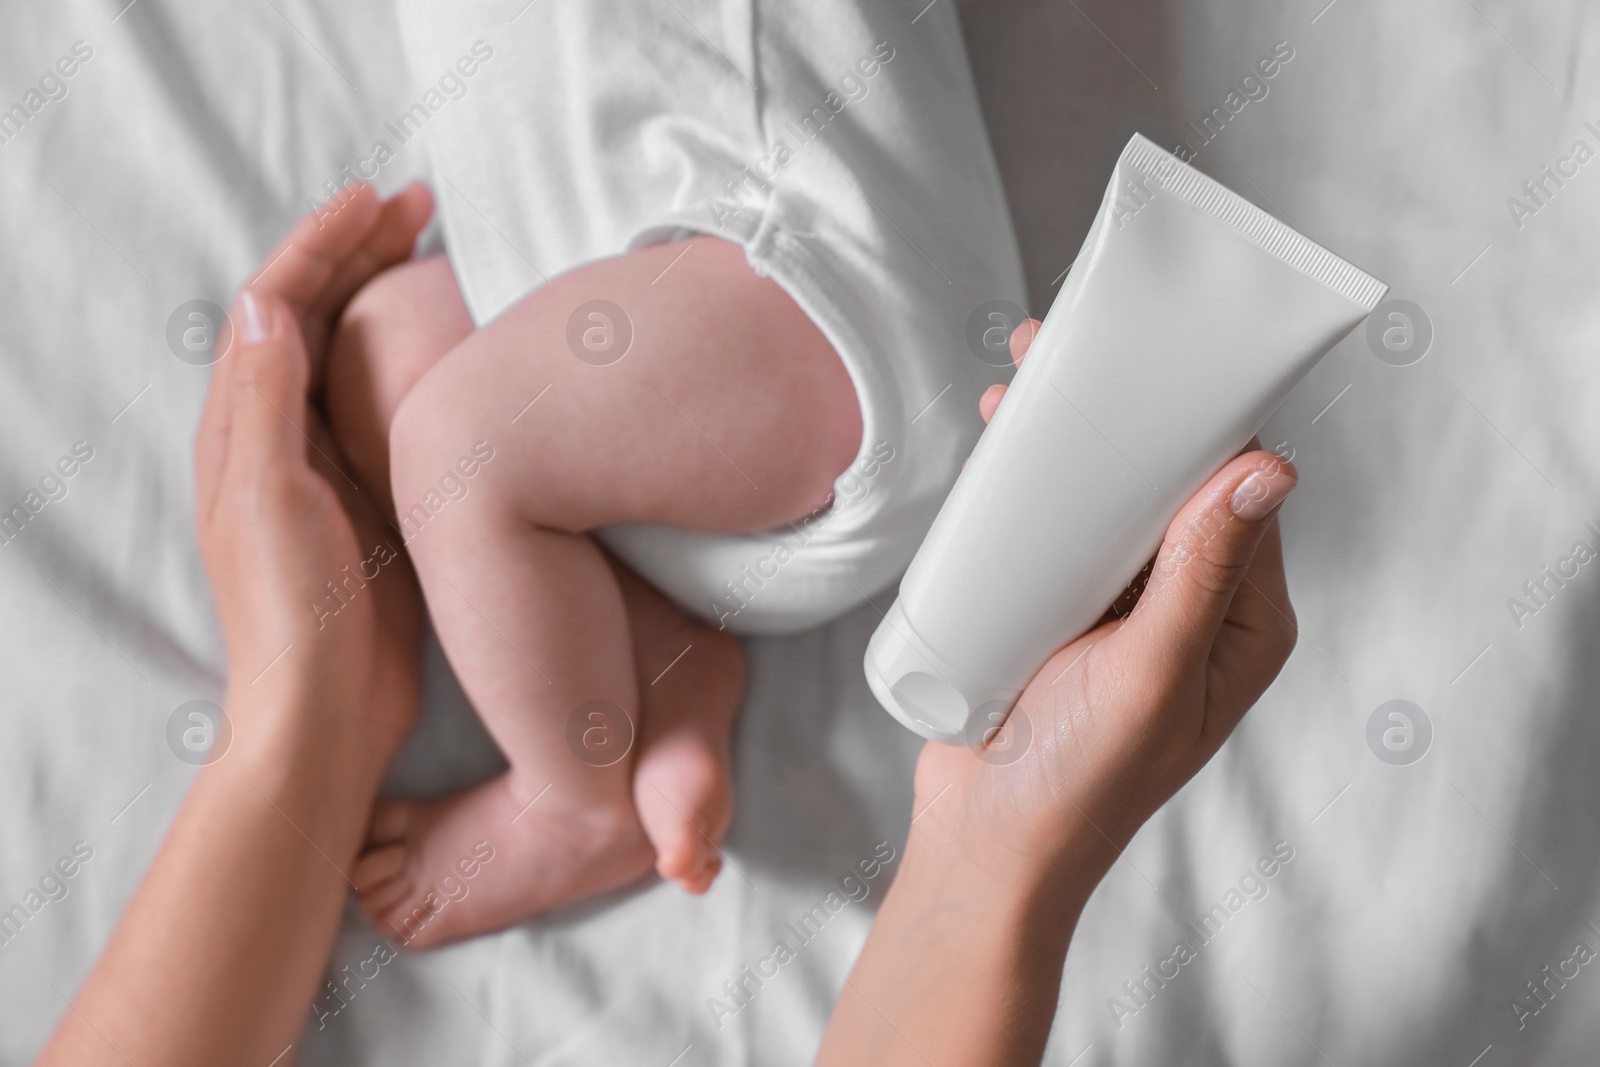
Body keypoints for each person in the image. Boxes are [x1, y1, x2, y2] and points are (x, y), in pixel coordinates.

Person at [38, 187, 1298, 1065]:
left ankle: (571, 796)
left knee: (453, 442)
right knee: (387, 364)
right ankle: (649, 682)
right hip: (659, 290)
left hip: (793, 292)